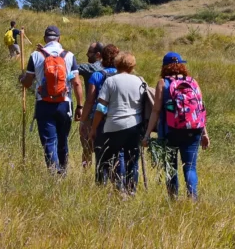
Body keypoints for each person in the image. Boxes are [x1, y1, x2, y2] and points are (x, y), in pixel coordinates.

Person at [143, 52, 210, 201]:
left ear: (164, 67)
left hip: (169, 131)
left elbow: (156, 110)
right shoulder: (193, 82)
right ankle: (192, 199)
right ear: (181, 65)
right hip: (194, 130)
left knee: (170, 167)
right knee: (190, 167)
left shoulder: (163, 83)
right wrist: (204, 133)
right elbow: (200, 109)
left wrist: (147, 134)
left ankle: (173, 200)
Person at [21, 25, 84, 173]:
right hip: (65, 104)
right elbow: (76, 82)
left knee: (49, 141)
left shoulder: (36, 56)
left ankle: (54, 173)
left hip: (44, 104)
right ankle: (63, 170)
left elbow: (28, 82)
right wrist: (80, 106)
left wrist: (22, 79)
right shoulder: (69, 56)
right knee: (63, 139)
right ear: (59, 38)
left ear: (45, 39)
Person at [90, 51, 144, 194]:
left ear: (116, 64)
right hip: (134, 125)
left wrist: (94, 128)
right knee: (132, 161)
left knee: (110, 159)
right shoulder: (140, 81)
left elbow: (101, 107)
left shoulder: (110, 81)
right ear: (132, 66)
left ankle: (117, 188)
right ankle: (131, 191)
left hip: (113, 126)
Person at [81, 44, 119, 179]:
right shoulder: (123, 75)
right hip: (119, 118)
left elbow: (90, 101)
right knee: (117, 153)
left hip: (99, 118)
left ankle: (95, 179)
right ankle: (117, 180)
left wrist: (84, 120)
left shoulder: (97, 75)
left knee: (95, 150)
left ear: (101, 57)